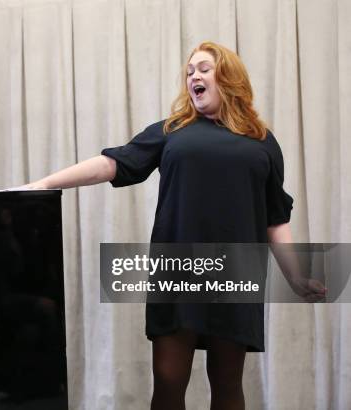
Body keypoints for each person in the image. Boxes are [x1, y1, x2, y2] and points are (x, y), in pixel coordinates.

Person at [23, 42, 326, 410]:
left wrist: (295, 277)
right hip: (177, 268)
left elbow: (275, 217)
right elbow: (112, 163)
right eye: (189, 72)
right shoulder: (173, 130)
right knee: (168, 381)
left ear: (228, 76)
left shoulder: (262, 141)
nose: (193, 76)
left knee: (227, 383)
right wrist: (42, 184)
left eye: (202, 69)